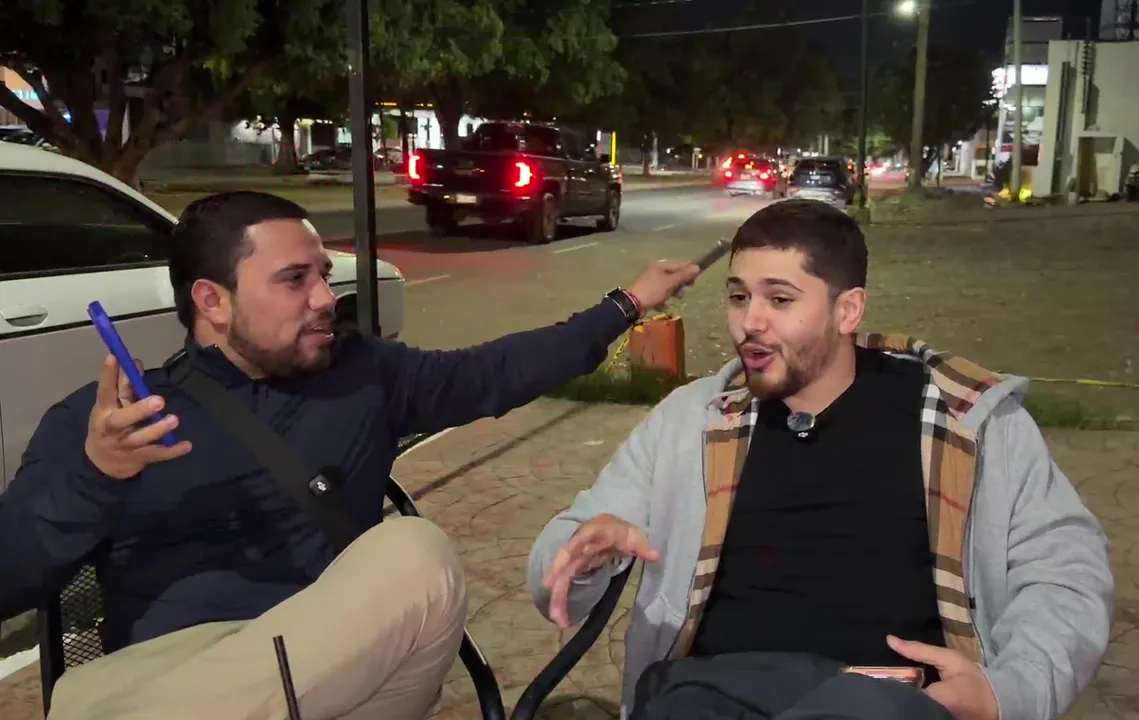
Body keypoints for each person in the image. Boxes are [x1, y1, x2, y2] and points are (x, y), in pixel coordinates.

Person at [0, 190, 699, 720]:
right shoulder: (109, 425)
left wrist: (626, 304)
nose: (324, 298)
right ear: (211, 301)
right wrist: (95, 478)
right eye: (293, 280)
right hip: (178, 669)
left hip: (352, 665)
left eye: (322, 275)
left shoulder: (364, 375)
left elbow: (493, 373)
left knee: (416, 555)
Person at [529, 199, 1115, 720]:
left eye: (780, 299)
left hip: (884, 700)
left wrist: (1007, 692)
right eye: (738, 297)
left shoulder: (968, 422)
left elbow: (1065, 573)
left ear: (847, 310)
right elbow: (562, 559)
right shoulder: (691, 420)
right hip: (709, 693)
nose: (750, 322)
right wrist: (582, 553)